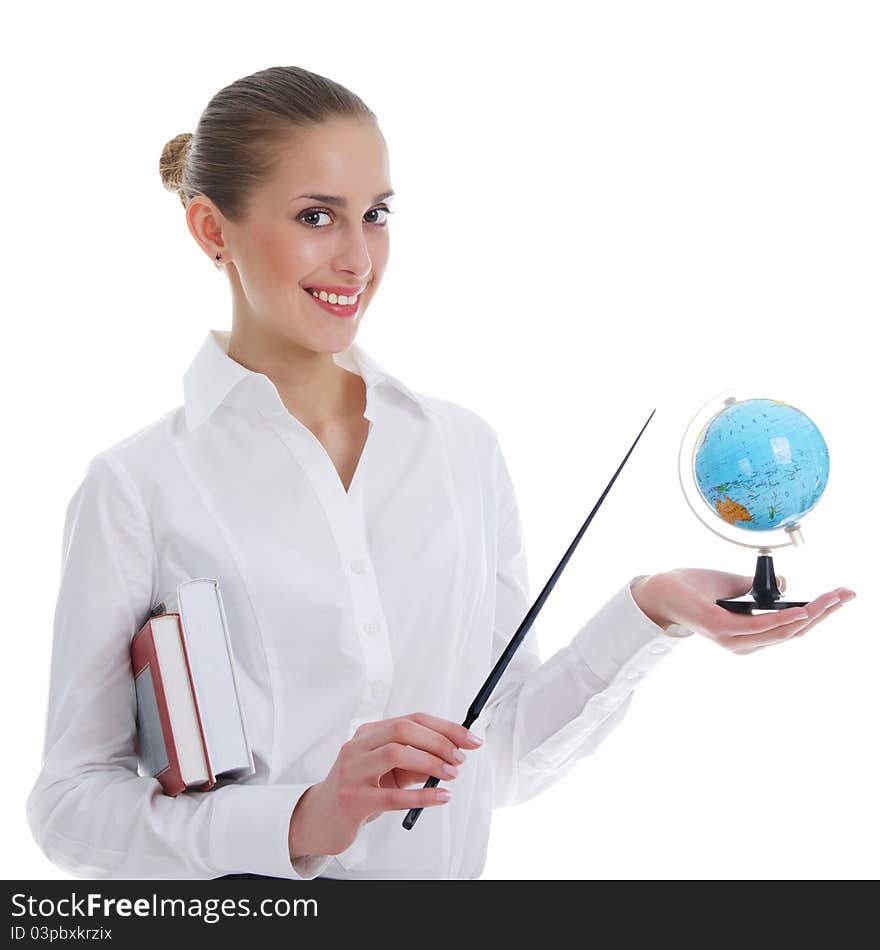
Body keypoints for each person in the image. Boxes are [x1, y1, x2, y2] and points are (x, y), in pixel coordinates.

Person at [26, 65, 856, 882]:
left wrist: (651, 611)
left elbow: (501, 760)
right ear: (212, 230)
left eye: (376, 215)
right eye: (317, 215)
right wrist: (303, 818)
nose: (358, 258)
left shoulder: (461, 451)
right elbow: (68, 807)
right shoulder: (136, 486)